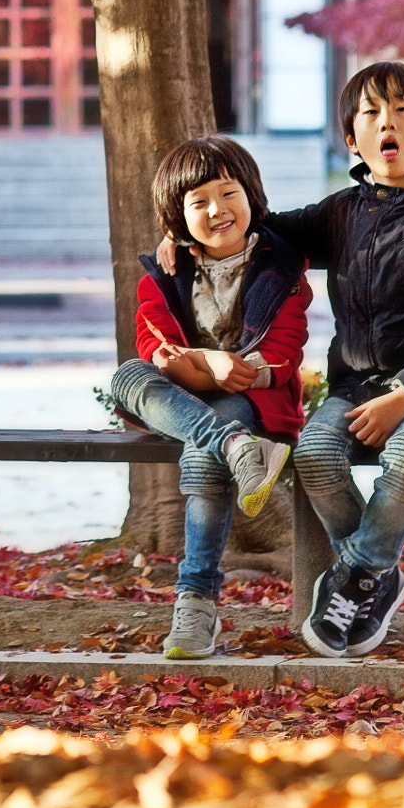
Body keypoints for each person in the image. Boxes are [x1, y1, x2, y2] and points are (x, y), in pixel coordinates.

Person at [157, 64, 404, 660]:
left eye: (403, 110)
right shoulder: (345, 212)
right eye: (370, 114)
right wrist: (180, 237)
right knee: (314, 451)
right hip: (357, 385)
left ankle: (362, 575)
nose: (386, 122)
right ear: (353, 141)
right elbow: (257, 232)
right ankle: (374, 575)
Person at [111, 135, 311, 660]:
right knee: (128, 376)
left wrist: (222, 368)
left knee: (202, 461)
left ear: (251, 194)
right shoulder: (165, 272)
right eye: (198, 202)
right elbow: (154, 346)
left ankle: (195, 604)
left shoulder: (281, 268)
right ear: (177, 216)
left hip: (255, 401)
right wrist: (209, 366)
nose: (217, 210)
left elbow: (282, 357)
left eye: (228, 193)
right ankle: (236, 448)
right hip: (190, 401)